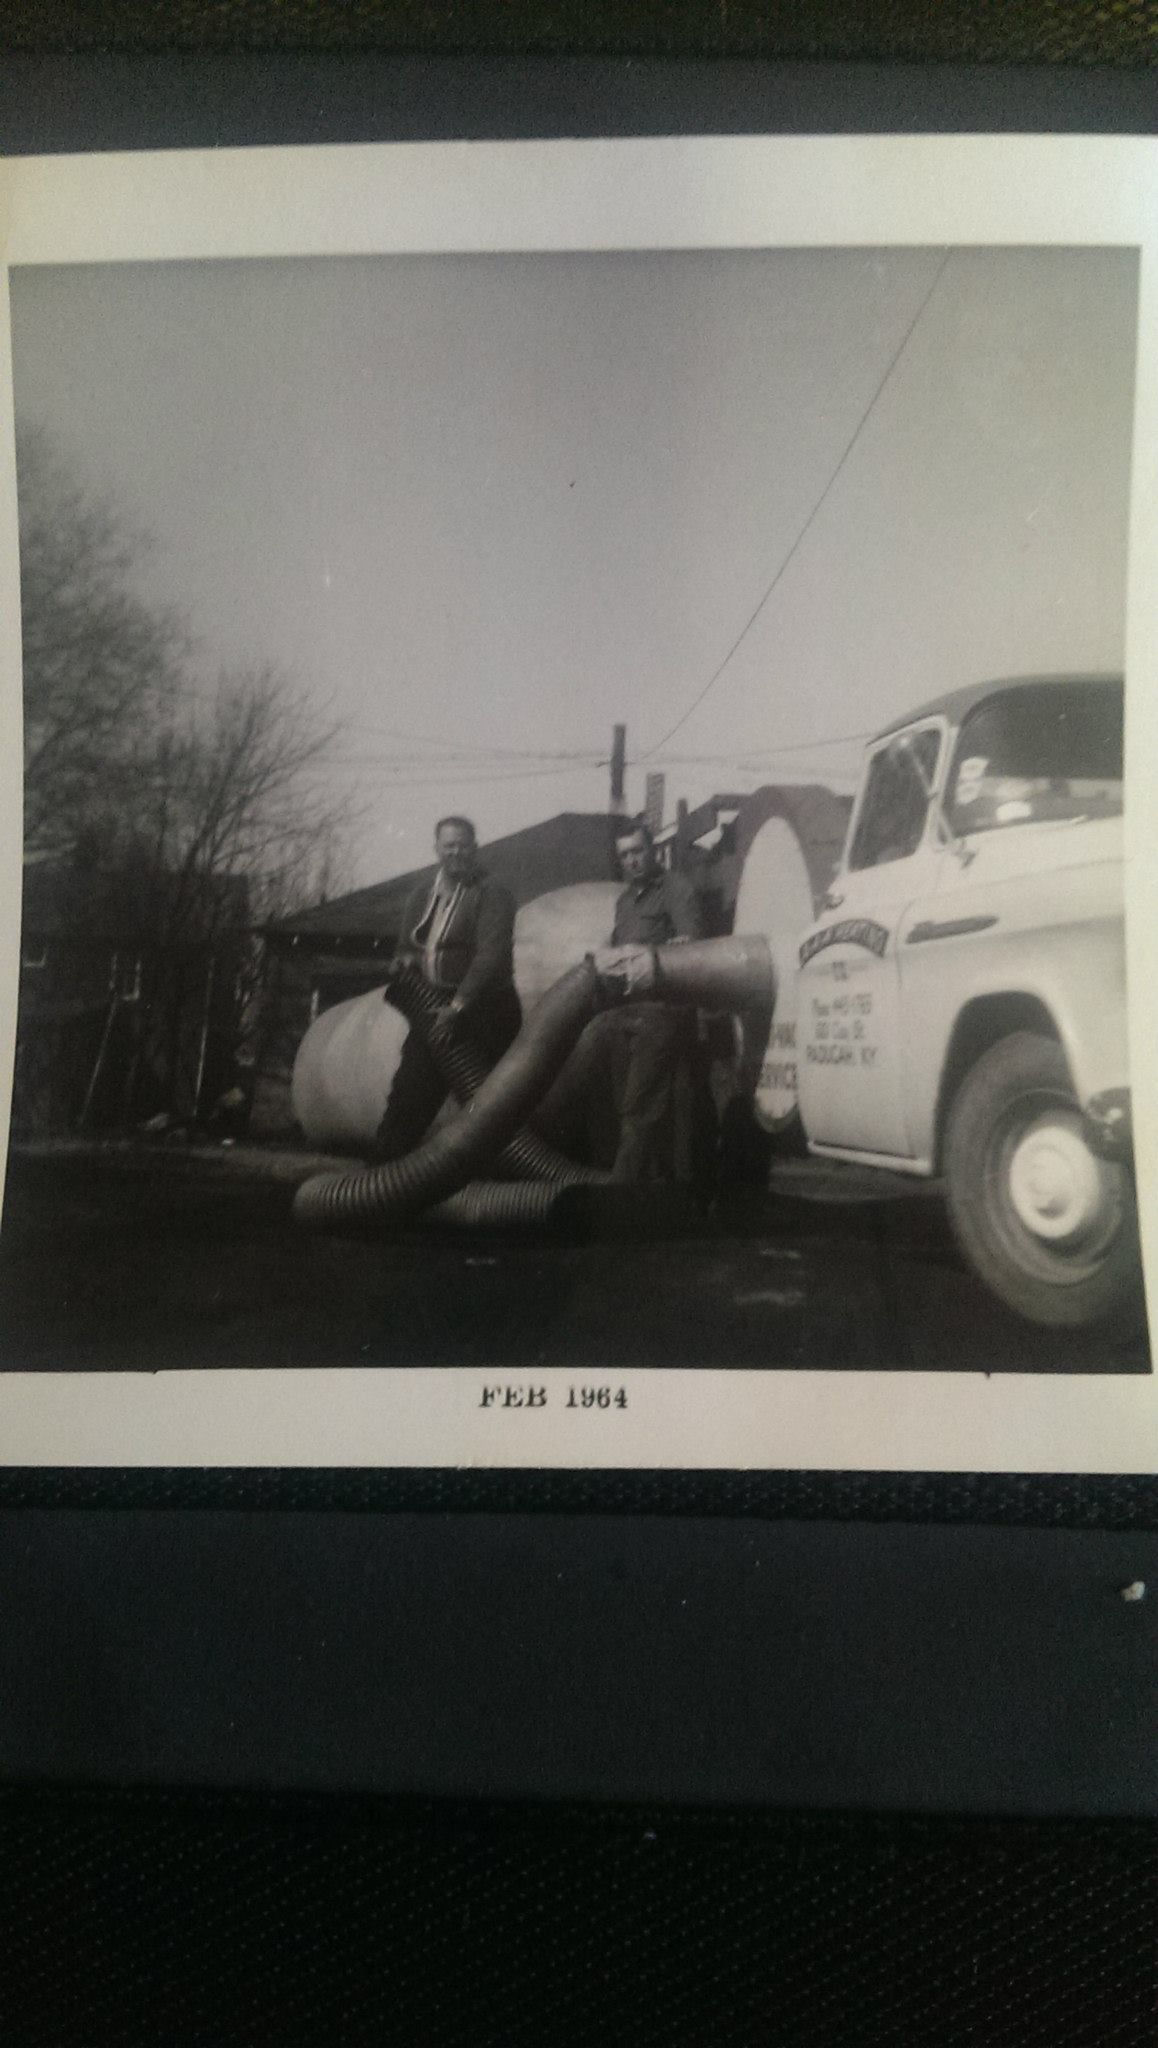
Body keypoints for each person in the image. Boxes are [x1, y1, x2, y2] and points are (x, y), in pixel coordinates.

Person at [541, 816, 704, 1182]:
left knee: (639, 1104)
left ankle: (622, 1190)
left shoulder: (676, 889)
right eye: (625, 855)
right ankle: (643, 1184)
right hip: (626, 1011)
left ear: (652, 850)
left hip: (663, 1010)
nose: (632, 860)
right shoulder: (625, 901)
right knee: (616, 1096)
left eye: (638, 851)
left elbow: (690, 949)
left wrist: (655, 953)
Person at [373, 816, 521, 1160]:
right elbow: (405, 947)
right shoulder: (422, 894)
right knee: (408, 1096)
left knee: (485, 1108)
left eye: (463, 845)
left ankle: (497, 1199)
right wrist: (405, 961)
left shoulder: (492, 893)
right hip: (433, 1007)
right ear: (436, 849)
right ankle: (378, 1186)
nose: (456, 852)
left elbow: (491, 957)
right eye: (448, 845)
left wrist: (458, 1007)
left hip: (484, 1011)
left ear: (475, 847)